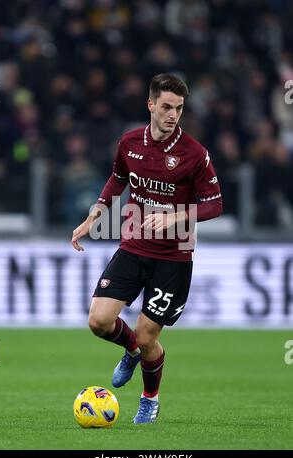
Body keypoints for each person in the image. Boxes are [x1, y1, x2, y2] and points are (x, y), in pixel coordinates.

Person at [71, 74, 222, 424]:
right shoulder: (128, 143)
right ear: (151, 105)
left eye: (180, 108)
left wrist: (175, 217)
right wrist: (93, 217)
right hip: (134, 246)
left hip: (174, 257)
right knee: (98, 321)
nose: (173, 115)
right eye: (167, 107)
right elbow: (117, 180)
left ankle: (149, 398)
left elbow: (215, 205)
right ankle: (132, 351)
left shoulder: (195, 154)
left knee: (148, 334)